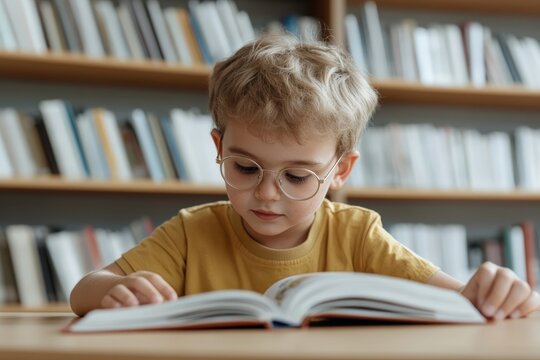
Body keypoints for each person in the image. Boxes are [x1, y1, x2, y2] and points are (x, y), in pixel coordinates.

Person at [70, 35, 539, 320]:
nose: (266, 193)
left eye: (297, 176)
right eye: (245, 167)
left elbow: (464, 300)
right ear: (219, 149)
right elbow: (83, 290)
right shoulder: (191, 233)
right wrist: (113, 290)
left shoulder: (358, 236)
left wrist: (502, 293)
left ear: (340, 171)